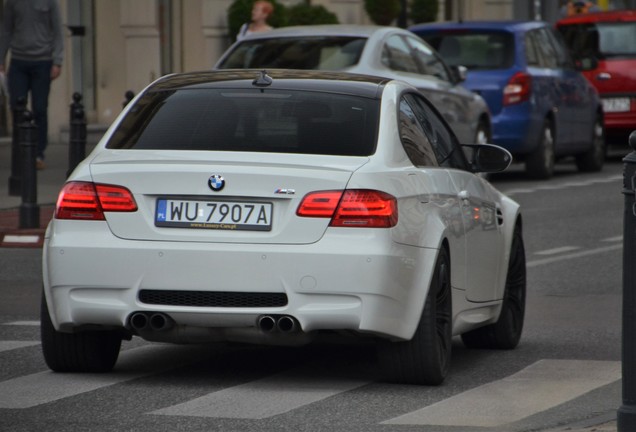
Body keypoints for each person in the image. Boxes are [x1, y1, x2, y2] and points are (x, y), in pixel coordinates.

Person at [0, 0, 64, 170]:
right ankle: (20, 152)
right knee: (17, 107)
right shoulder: (12, 2)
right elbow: (6, 29)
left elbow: (57, 30)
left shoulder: (49, 2)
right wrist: (1, 58)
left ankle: (38, 153)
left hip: (43, 61)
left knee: (40, 109)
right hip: (19, 61)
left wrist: (57, 61)